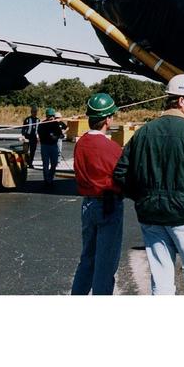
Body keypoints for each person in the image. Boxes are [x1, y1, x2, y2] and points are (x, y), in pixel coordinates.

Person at [113, 73, 184, 295]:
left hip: (151, 216)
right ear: (181, 100)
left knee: (161, 280)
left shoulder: (144, 132)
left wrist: (143, 197)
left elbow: (120, 173)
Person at [71, 93, 124, 295]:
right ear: (108, 119)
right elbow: (121, 176)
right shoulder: (111, 147)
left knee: (87, 258)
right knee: (106, 263)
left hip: (88, 204)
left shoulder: (81, 143)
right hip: (109, 205)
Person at [38, 107, 68, 187]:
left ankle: (50, 177)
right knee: (45, 164)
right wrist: (50, 136)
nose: (51, 118)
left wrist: (57, 136)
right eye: (49, 116)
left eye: (52, 116)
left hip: (54, 146)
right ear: (46, 116)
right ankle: (47, 180)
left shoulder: (55, 124)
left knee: (54, 163)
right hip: (45, 146)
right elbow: (41, 135)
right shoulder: (42, 125)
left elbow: (60, 134)